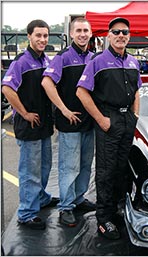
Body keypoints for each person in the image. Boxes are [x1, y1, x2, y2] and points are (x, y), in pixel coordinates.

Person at [76, 17, 141, 240]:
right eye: (116, 32)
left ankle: (116, 210)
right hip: (108, 120)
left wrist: (135, 115)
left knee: (122, 168)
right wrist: (101, 120)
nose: (120, 35)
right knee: (106, 171)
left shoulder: (133, 62)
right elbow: (81, 92)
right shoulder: (97, 61)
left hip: (126, 121)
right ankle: (104, 220)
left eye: (124, 32)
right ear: (108, 35)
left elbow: (137, 91)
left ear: (129, 36)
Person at [1, 19, 59, 230]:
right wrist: (24, 113)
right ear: (29, 37)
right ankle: (27, 213)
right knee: (30, 170)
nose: (43, 39)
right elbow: (6, 88)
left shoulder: (46, 60)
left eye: (45, 36)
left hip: (43, 124)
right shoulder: (21, 62)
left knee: (44, 167)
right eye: (38, 36)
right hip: (29, 125)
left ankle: (41, 199)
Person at [41, 17, 96, 227]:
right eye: (78, 30)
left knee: (84, 165)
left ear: (91, 33)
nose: (82, 34)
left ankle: (79, 198)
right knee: (69, 167)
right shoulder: (63, 57)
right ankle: (66, 207)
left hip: (89, 123)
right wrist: (63, 110)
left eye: (86, 30)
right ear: (71, 34)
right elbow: (47, 82)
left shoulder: (93, 57)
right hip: (70, 124)